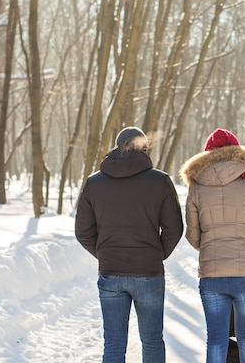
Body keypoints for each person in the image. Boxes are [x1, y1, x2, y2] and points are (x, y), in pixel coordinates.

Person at [75, 126, 184, 363]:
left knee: (113, 343)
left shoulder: (94, 183)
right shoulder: (160, 181)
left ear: (117, 147)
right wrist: (156, 255)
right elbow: (175, 228)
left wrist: (105, 254)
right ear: (144, 149)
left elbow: (83, 231)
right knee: (153, 340)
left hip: (110, 273)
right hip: (149, 273)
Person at [179, 128, 245, 363]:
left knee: (216, 339)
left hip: (211, 276)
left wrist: (212, 244)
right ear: (236, 151)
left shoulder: (196, 186)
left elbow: (193, 237)